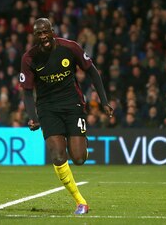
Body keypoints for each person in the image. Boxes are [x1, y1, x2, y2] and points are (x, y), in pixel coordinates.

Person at [19, 18, 113, 215]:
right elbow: (27, 92)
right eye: (39, 33)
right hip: (47, 108)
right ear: (35, 36)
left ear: (52, 31)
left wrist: (104, 101)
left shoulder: (70, 48)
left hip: (73, 105)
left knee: (78, 158)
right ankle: (80, 202)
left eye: (46, 32)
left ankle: (81, 143)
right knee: (58, 155)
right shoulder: (29, 58)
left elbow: (93, 72)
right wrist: (32, 116)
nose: (43, 36)